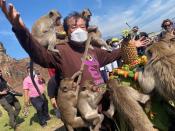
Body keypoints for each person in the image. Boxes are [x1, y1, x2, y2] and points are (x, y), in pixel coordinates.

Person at [0, 1, 148, 130]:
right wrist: (20, 31)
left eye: (83, 26)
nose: (78, 30)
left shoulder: (93, 50)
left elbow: (111, 55)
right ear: (67, 31)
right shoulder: (62, 50)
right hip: (81, 113)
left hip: (102, 105)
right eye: (73, 27)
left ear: (87, 29)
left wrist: (129, 45)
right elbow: (39, 55)